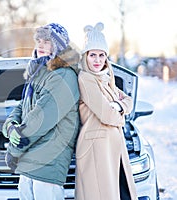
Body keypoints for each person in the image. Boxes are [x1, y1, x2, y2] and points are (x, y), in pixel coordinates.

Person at [2, 23, 80, 200]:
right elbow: (22, 106)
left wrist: (14, 149)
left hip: (50, 158)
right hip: (31, 156)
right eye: (38, 40)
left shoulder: (64, 76)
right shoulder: (39, 73)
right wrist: (11, 126)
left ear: (59, 45)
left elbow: (40, 118)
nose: (41, 45)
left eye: (47, 41)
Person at [75, 22, 137, 200]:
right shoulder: (86, 78)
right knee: (100, 194)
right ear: (85, 56)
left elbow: (128, 101)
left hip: (111, 146)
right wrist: (120, 116)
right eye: (92, 55)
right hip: (96, 146)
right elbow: (105, 114)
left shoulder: (105, 79)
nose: (97, 60)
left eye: (101, 55)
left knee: (117, 192)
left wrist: (118, 106)